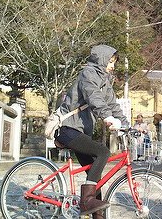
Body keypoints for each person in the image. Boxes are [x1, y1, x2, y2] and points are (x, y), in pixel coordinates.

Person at [55, 44, 129, 218]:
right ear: (101, 60)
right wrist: (106, 117)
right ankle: (86, 201)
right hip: (68, 129)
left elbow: (113, 106)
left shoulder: (105, 82)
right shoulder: (88, 74)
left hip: (80, 132)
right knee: (103, 152)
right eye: (110, 62)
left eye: (114, 63)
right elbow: (93, 96)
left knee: (95, 176)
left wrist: (126, 125)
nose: (112, 66)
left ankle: (97, 215)